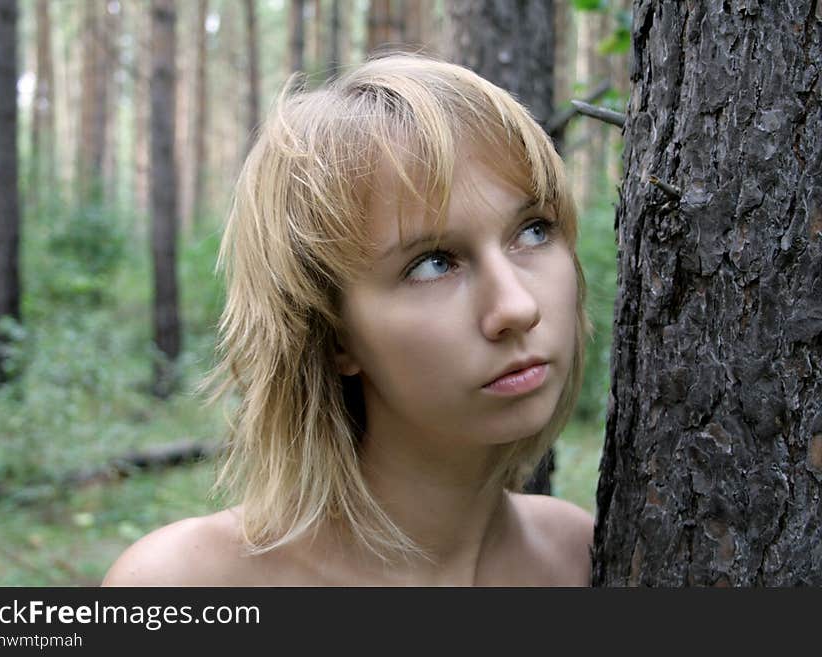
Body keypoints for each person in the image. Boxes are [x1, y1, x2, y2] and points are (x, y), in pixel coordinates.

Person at [103, 54, 594, 587]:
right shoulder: (185, 585)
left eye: (534, 231)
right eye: (432, 263)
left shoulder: (577, 556)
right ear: (334, 332)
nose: (517, 307)